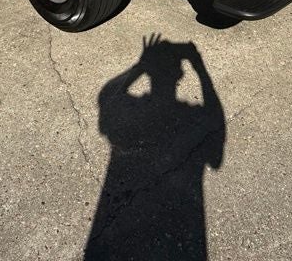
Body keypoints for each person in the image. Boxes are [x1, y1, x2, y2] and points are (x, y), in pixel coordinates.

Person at [85, 34, 225, 260]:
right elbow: (216, 143)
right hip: (186, 227)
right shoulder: (190, 115)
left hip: (118, 233)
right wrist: (199, 67)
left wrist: (140, 66)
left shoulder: (137, 108)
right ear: (180, 75)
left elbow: (107, 97)